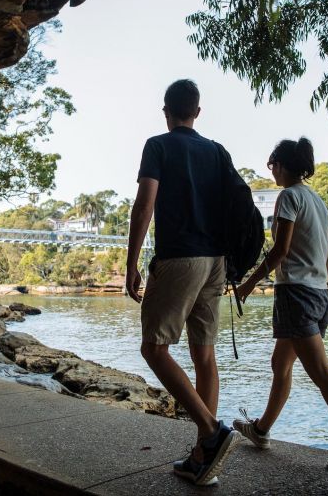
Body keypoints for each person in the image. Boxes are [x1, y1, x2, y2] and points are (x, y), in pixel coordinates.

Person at [232, 137, 328, 475]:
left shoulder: (289, 197)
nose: (272, 174)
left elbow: (280, 251)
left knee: (323, 375)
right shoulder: (318, 201)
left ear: (281, 165)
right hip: (319, 296)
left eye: (272, 167)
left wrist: (247, 285)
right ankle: (261, 430)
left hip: (295, 296)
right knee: (280, 363)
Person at [126, 79, 240, 486]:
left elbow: (144, 205)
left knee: (154, 348)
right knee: (204, 355)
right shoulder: (216, 151)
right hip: (217, 262)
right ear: (197, 111)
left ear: (166, 111)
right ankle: (201, 459)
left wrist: (131, 262)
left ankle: (211, 434)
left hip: (180, 257)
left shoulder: (158, 145)